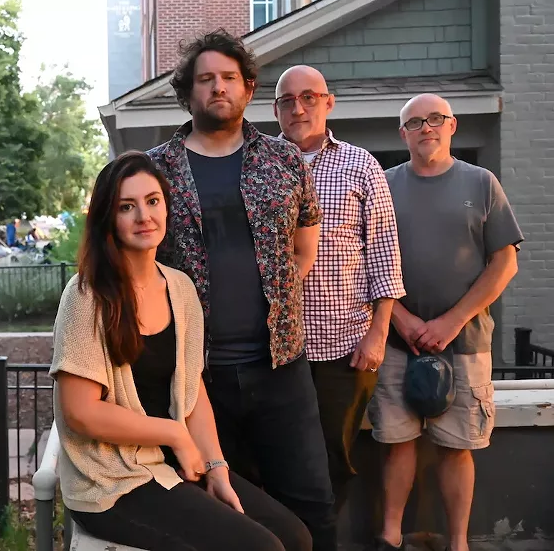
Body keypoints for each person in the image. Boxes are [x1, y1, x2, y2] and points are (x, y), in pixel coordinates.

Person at [50, 151, 312, 551]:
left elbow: (192, 394)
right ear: (108, 218)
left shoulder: (180, 289)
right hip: (112, 483)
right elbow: (80, 411)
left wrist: (217, 467)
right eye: (127, 206)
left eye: (153, 201)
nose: (144, 216)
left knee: (296, 538)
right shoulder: (87, 296)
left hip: (170, 465)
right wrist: (173, 434)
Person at [147, 29, 336, 551]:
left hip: (281, 367)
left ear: (249, 89)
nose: (218, 88)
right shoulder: (155, 169)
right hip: (195, 379)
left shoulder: (284, 161)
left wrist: (275, 302)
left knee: (311, 500)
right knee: (218, 507)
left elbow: (304, 248)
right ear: (188, 92)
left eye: (229, 78)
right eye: (205, 79)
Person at [369, 93, 523, 551]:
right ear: (403, 134)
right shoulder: (385, 184)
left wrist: (452, 322)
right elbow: (363, 261)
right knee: (396, 442)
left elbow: (504, 264)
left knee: (458, 447)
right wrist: (402, 319)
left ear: (452, 126)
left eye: (435, 119)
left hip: (466, 343)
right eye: (414, 123)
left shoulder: (482, 183)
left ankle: (459, 543)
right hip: (398, 343)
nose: (426, 128)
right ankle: (390, 537)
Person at [274, 65, 405, 512]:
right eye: (288, 100)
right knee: (277, 459)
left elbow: (385, 252)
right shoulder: (258, 165)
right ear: (276, 110)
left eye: (309, 96)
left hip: (345, 346)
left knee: (334, 457)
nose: (298, 107)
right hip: (276, 347)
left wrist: (379, 332)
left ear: (329, 103)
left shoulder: (362, 165)